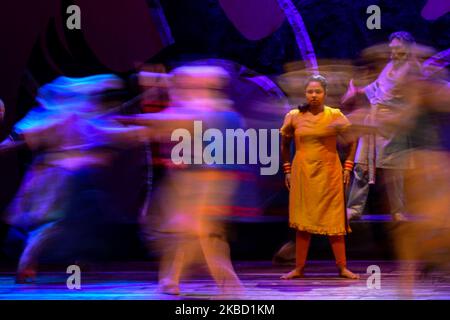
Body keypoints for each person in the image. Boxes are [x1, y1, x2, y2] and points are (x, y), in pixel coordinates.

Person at [280, 74, 359, 280]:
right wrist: (287, 169)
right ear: (305, 93)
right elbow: (284, 144)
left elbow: (352, 140)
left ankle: (342, 267)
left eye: (318, 92)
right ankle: (299, 268)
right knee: (303, 220)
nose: (313, 95)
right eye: (310, 92)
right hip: (303, 172)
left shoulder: (334, 115)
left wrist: (348, 167)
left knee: (334, 221)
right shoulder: (294, 116)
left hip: (330, 172)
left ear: (324, 94)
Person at [342, 31, 421, 221]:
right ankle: (353, 209)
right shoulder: (389, 66)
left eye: (398, 50)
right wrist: (357, 91)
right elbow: (377, 88)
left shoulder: (413, 69)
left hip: (393, 123)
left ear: (408, 49)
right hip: (374, 122)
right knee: (361, 166)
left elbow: (415, 99)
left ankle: (398, 210)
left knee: (395, 170)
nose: (394, 53)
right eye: (392, 49)